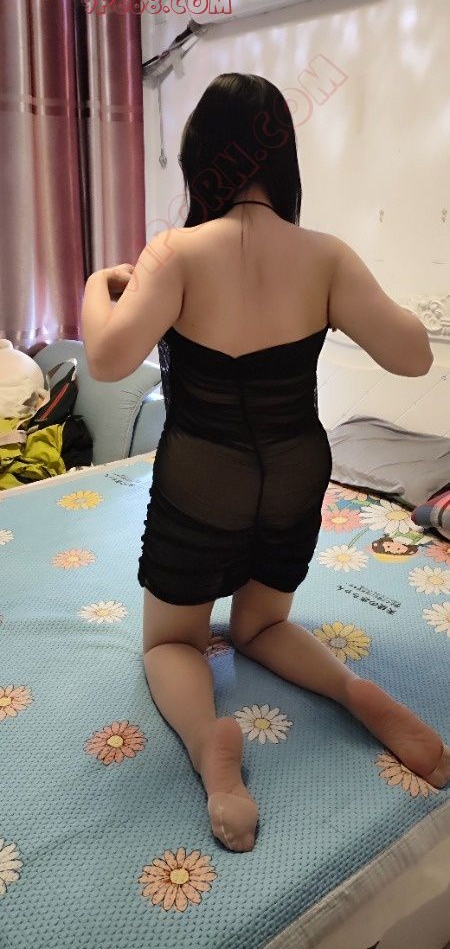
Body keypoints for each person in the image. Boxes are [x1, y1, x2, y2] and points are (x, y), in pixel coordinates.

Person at [81, 73, 450, 854]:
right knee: (261, 623)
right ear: (283, 158)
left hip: (203, 474)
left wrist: (97, 284)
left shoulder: (175, 253)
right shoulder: (327, 256)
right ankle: (354, 692)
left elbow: (107, 359)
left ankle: (213, 753)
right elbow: (415, 357)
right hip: (294, 471)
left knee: (172, 643)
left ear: (200, 159)